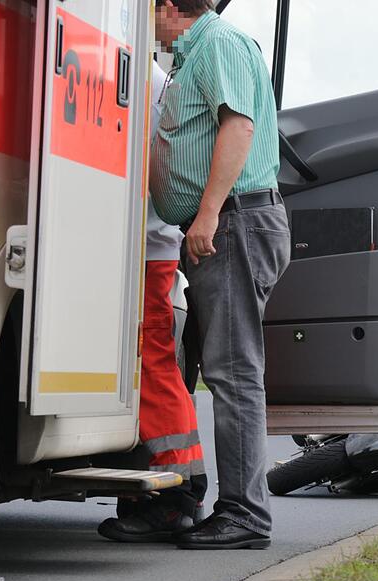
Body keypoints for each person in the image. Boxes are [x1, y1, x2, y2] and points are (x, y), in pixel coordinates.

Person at [151, 0, 290, 547]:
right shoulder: (202, 48)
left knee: (233, 373)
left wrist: (207, 213)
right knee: (227, 368)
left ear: (169, 6)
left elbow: (238, 126)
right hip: (229, 225)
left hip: (234, 223)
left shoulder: (217, 42)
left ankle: (244, 514)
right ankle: (232, 506)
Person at [97, 61, 208, 543]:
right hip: (144, 242)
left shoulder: (144, 75)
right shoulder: (155, 77)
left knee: (153, 362)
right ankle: (176, 486)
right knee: (153, 361)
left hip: (143, 246)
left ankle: (179, 491)